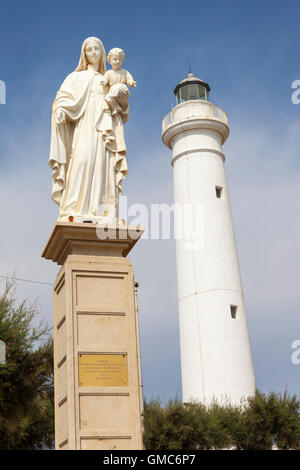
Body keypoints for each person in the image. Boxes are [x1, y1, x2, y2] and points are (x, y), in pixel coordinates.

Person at [49, 37, 129, 221]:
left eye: (96, 49)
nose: (93, 52)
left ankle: (102, 210)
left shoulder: (107, 79)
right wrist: (60, 110)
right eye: (89, 50)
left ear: (102, 53)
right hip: (84, 124)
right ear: (84, 54)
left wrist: (123, 100)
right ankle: (72, 208)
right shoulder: (75, 77)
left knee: (103, 164)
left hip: (105, 124)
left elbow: (122, 111)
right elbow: (62, 99)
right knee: (81, 160)